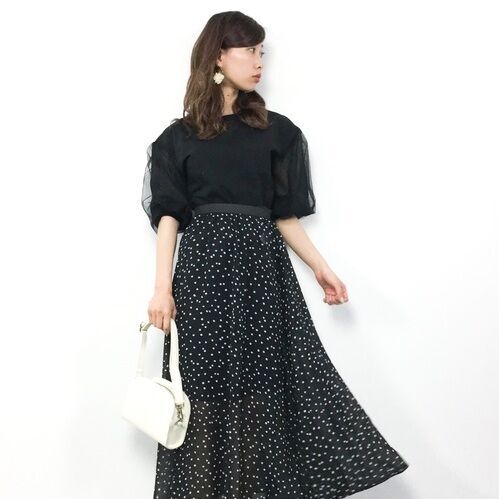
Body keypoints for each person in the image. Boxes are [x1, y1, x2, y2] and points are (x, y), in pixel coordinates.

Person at [141, 10, 409, 499]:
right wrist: (162, 289)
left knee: (265, 391)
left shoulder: (277, 132)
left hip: (263, 275)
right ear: (218, 57)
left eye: (261, 51)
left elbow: (284, 216)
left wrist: (322, 269)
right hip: (203, 278)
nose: (259, 61)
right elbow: (169, 218)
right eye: (249, 50)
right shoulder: (177, 139)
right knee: (202, 393)